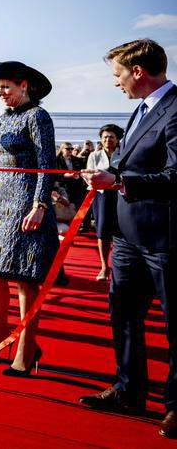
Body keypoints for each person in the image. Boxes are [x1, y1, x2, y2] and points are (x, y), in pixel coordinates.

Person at [80, 39, 176, 439]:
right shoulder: (140, 109)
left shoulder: (174, 109)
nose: (115, 82)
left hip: (165, 238)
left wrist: (119, 180)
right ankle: (129, 389)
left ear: (138, 71)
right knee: (124, 316)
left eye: (117, 74)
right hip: (128, 238)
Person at [0, 61, 59, 376]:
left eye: (6, 88)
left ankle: (27, 346)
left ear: (25, 86)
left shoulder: (38, 116)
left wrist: (39, 205)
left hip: (25, 201)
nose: (2, 94)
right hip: (0, 206)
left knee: (25, 277)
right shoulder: (2, 118)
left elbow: (46, 163)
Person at [86, 124, 124, 281]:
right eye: (105, 137)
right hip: (101, 197)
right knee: (102, 231)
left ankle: (119, 267)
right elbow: (89, 177)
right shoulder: (94, 156)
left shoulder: (124, 154)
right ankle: (104, 266)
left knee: (121, 230)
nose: (108, 139)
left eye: (111, 137)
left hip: (121, 195)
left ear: (117, 139)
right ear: (101, 139)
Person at [55, 142, 87, 208]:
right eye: (68, 149)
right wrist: (65, 175)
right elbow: (55, 174)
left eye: (71, 149)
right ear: (62, 150)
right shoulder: (56, 160)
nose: (70, 150)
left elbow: (82, 166)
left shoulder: (75, 160)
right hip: (63, 187)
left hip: (76, 187)